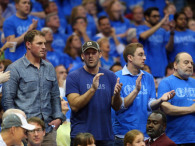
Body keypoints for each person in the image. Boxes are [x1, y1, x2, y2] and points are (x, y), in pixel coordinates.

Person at [2, 30, 65, 146]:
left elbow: (55, 96)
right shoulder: (14, 68)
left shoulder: (50, 67)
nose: (44, 47)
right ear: (28, 45)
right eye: (39, 43)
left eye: (44, 43)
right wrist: (17, 126)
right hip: (25, 132)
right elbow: (7, 101)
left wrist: (58, 118)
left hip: (48, 131)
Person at [113, 43, 175, 146]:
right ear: (130, 57)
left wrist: (160, 100)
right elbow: (119, 106)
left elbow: (150, 104)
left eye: (144, 55)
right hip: (123, 135)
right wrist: (136, 90)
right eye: (141, 55)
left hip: (144, 136)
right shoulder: (116, 77)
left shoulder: (148, 77)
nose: (144, 58)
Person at [66, 41, 123, 146]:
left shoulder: (110, 76)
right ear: (82, 56)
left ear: (100, 54)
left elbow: (117, 107)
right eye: (87, 53)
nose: (90, 56)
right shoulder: (73, 76)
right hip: (81, 137)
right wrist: (92, 89)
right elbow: (74, 106)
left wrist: (117, 95)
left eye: (94, 52)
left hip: (105, 135)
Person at [158, 52, 195, 145]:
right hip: (175, 139)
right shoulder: (166, 83)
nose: (190, 65)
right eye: (186, 62)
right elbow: (166, 108)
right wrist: (191, 109)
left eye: (191, 63)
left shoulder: (194, 82)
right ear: (175, 65)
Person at [137, 7, 173, 78]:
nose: (157, 18)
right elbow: (143, 36)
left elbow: (168, 48)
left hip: (162, 69)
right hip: (147, 68)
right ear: (147, 17)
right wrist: (160, 23)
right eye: (154, 16)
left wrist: (172, 33)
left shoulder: (162, 31)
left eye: (158, 16)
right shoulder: (141, 28)